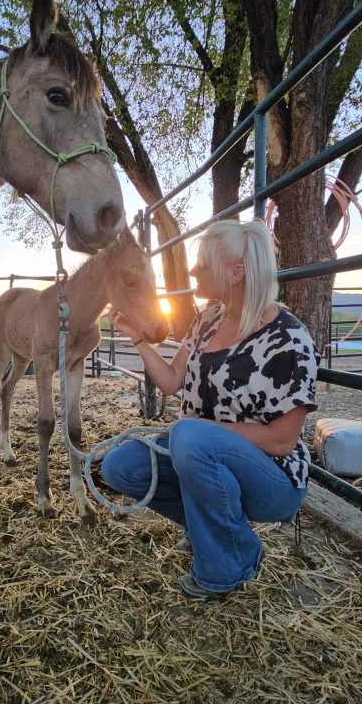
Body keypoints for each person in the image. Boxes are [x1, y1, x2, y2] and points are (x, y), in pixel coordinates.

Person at [102, 219, 320, 600]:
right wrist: (136, 337)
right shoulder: (207, 320)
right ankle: (211, 532)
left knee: (189, 435)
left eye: (202, 263)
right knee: (118, 467)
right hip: (202, 455)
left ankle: (228, 563)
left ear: (235, 273)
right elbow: (171, 381)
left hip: (273, 480)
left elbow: (283, 441)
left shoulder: (288, 338)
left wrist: (199, 430)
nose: (192, 270)